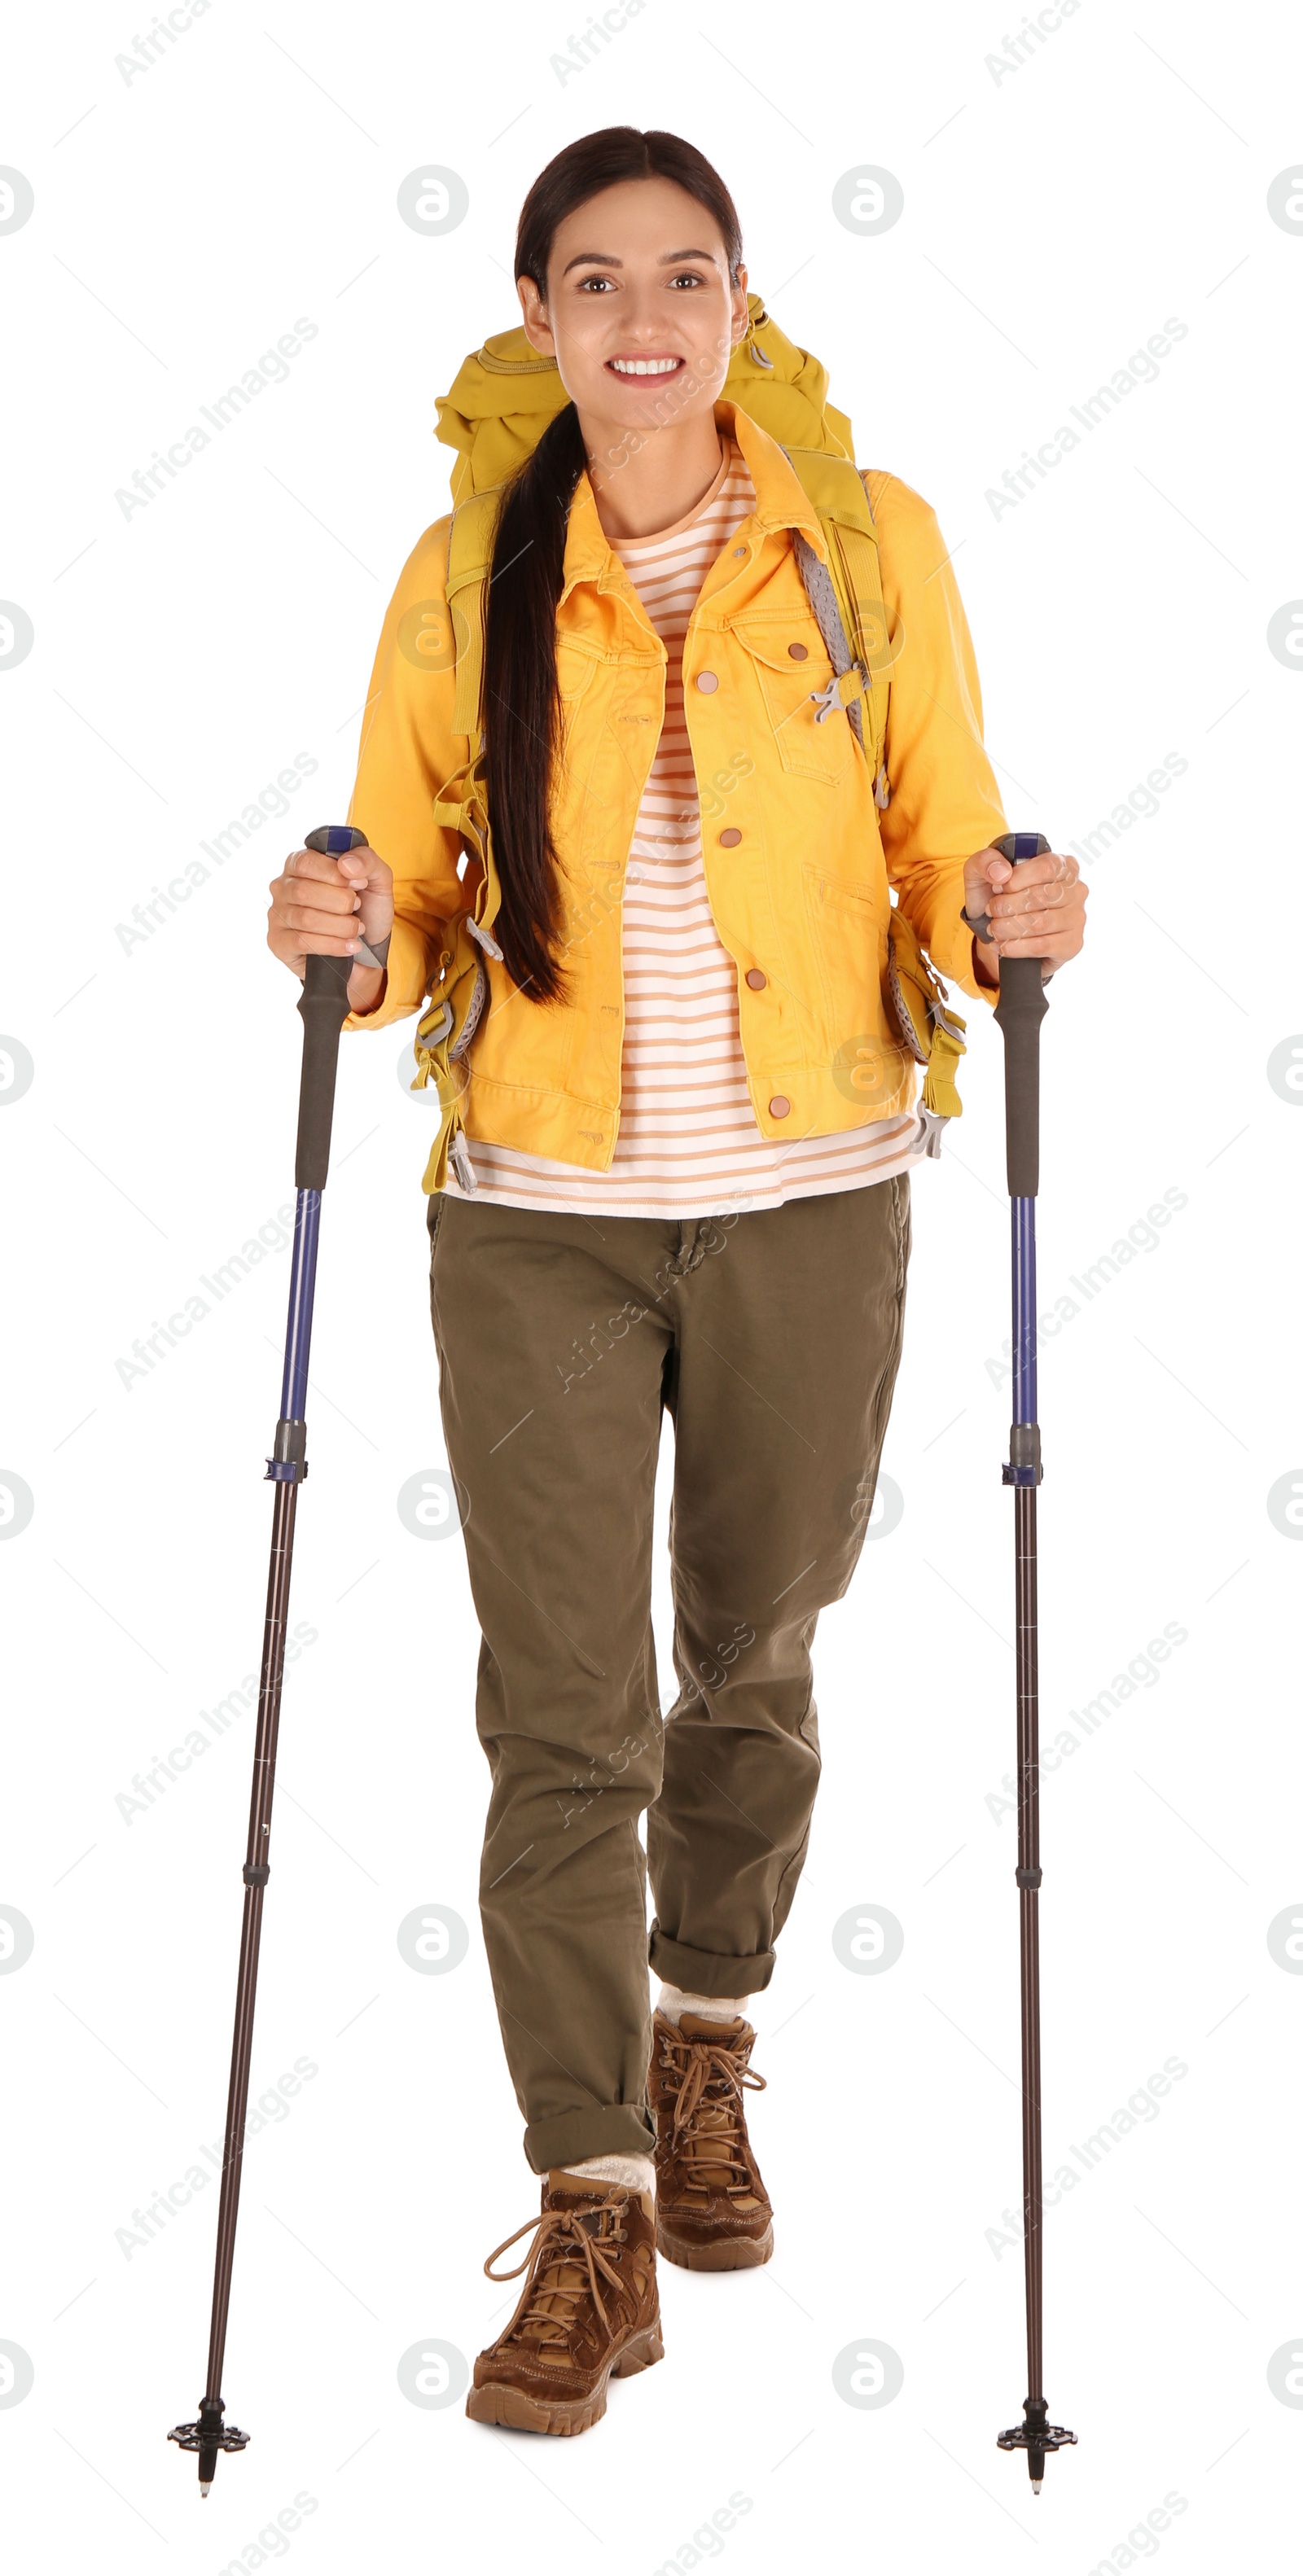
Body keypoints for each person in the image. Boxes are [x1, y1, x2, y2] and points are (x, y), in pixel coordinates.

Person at [267, 125, 1087, 2437]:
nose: (646, 311)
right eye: (598, 275)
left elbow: (948, 846)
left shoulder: (865, 547)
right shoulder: (460, 577)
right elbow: (403, 892)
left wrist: (1008, 917)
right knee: (561, 1709)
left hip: (819, 1186)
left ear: (741, 304)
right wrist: (340, 941)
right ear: (536, 313)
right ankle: (595, 2194)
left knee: (757, 1648)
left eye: (689, 272)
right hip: (533, 1205)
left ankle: (701, 2028)